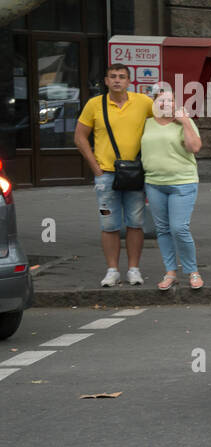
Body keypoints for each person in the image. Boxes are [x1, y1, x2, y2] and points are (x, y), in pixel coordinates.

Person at [74, 63, 153, 287]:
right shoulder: (95, 104)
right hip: (106, 176)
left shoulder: (143, 102)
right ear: (106, 81)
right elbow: (80, 137)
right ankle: (112, 270)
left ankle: (134, 270)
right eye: (113, 77)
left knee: (136, 223)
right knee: (108, 224)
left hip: (135, 174)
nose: (117, 80)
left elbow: (163, 119)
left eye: (122, 77)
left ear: (129, 82)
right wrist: (95, 168)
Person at [142, 85, 203, 290]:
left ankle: (192, 271)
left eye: (169, 101)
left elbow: (194, 148)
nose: (165, 104)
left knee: (179, 228)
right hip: (154, 183)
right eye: (161, 100)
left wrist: (185, 121)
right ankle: (170, 272)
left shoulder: (184, 123)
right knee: (163, 230)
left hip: (182, 183)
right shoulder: (147, 124)